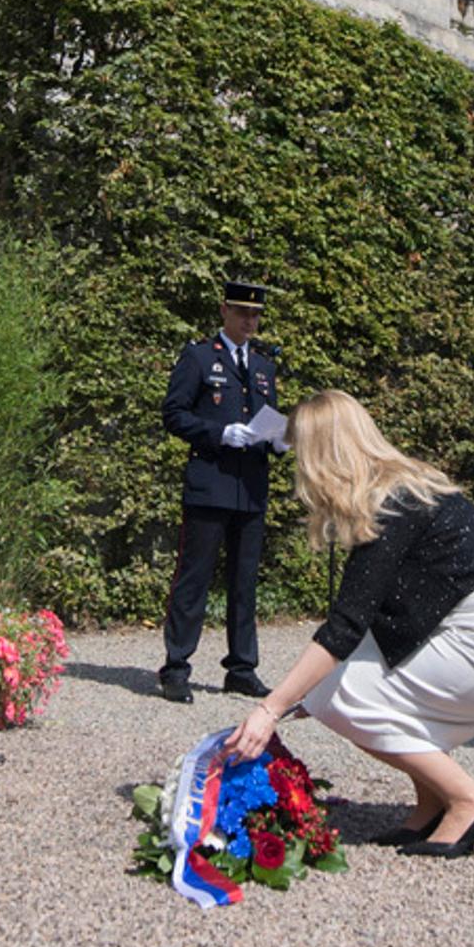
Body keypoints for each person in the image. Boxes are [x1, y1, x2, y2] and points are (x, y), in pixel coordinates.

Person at [223, 391, 474, 860]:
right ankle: (432, 802)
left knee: (341, 696)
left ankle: (470, 801)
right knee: (336, 690)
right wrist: (304, 696)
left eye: (301, 452)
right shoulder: (400, 487)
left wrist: (270, 709)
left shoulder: (390, 505)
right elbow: (376, 621)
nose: (298, 466)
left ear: (323, 453)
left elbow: (345, 625)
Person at [158, 279, 283, 703]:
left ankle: (242, 668)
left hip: (250, 488)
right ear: (224, 311)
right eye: (243, 312)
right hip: (210, 484)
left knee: (245, 581)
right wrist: (218, 432)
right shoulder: (197, 357)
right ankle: (176, 666)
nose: (250, 321)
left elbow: (265, 421)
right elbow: (173, 414)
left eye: (256, 314)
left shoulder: (265, 367)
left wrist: (281, 440)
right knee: (194, 578)